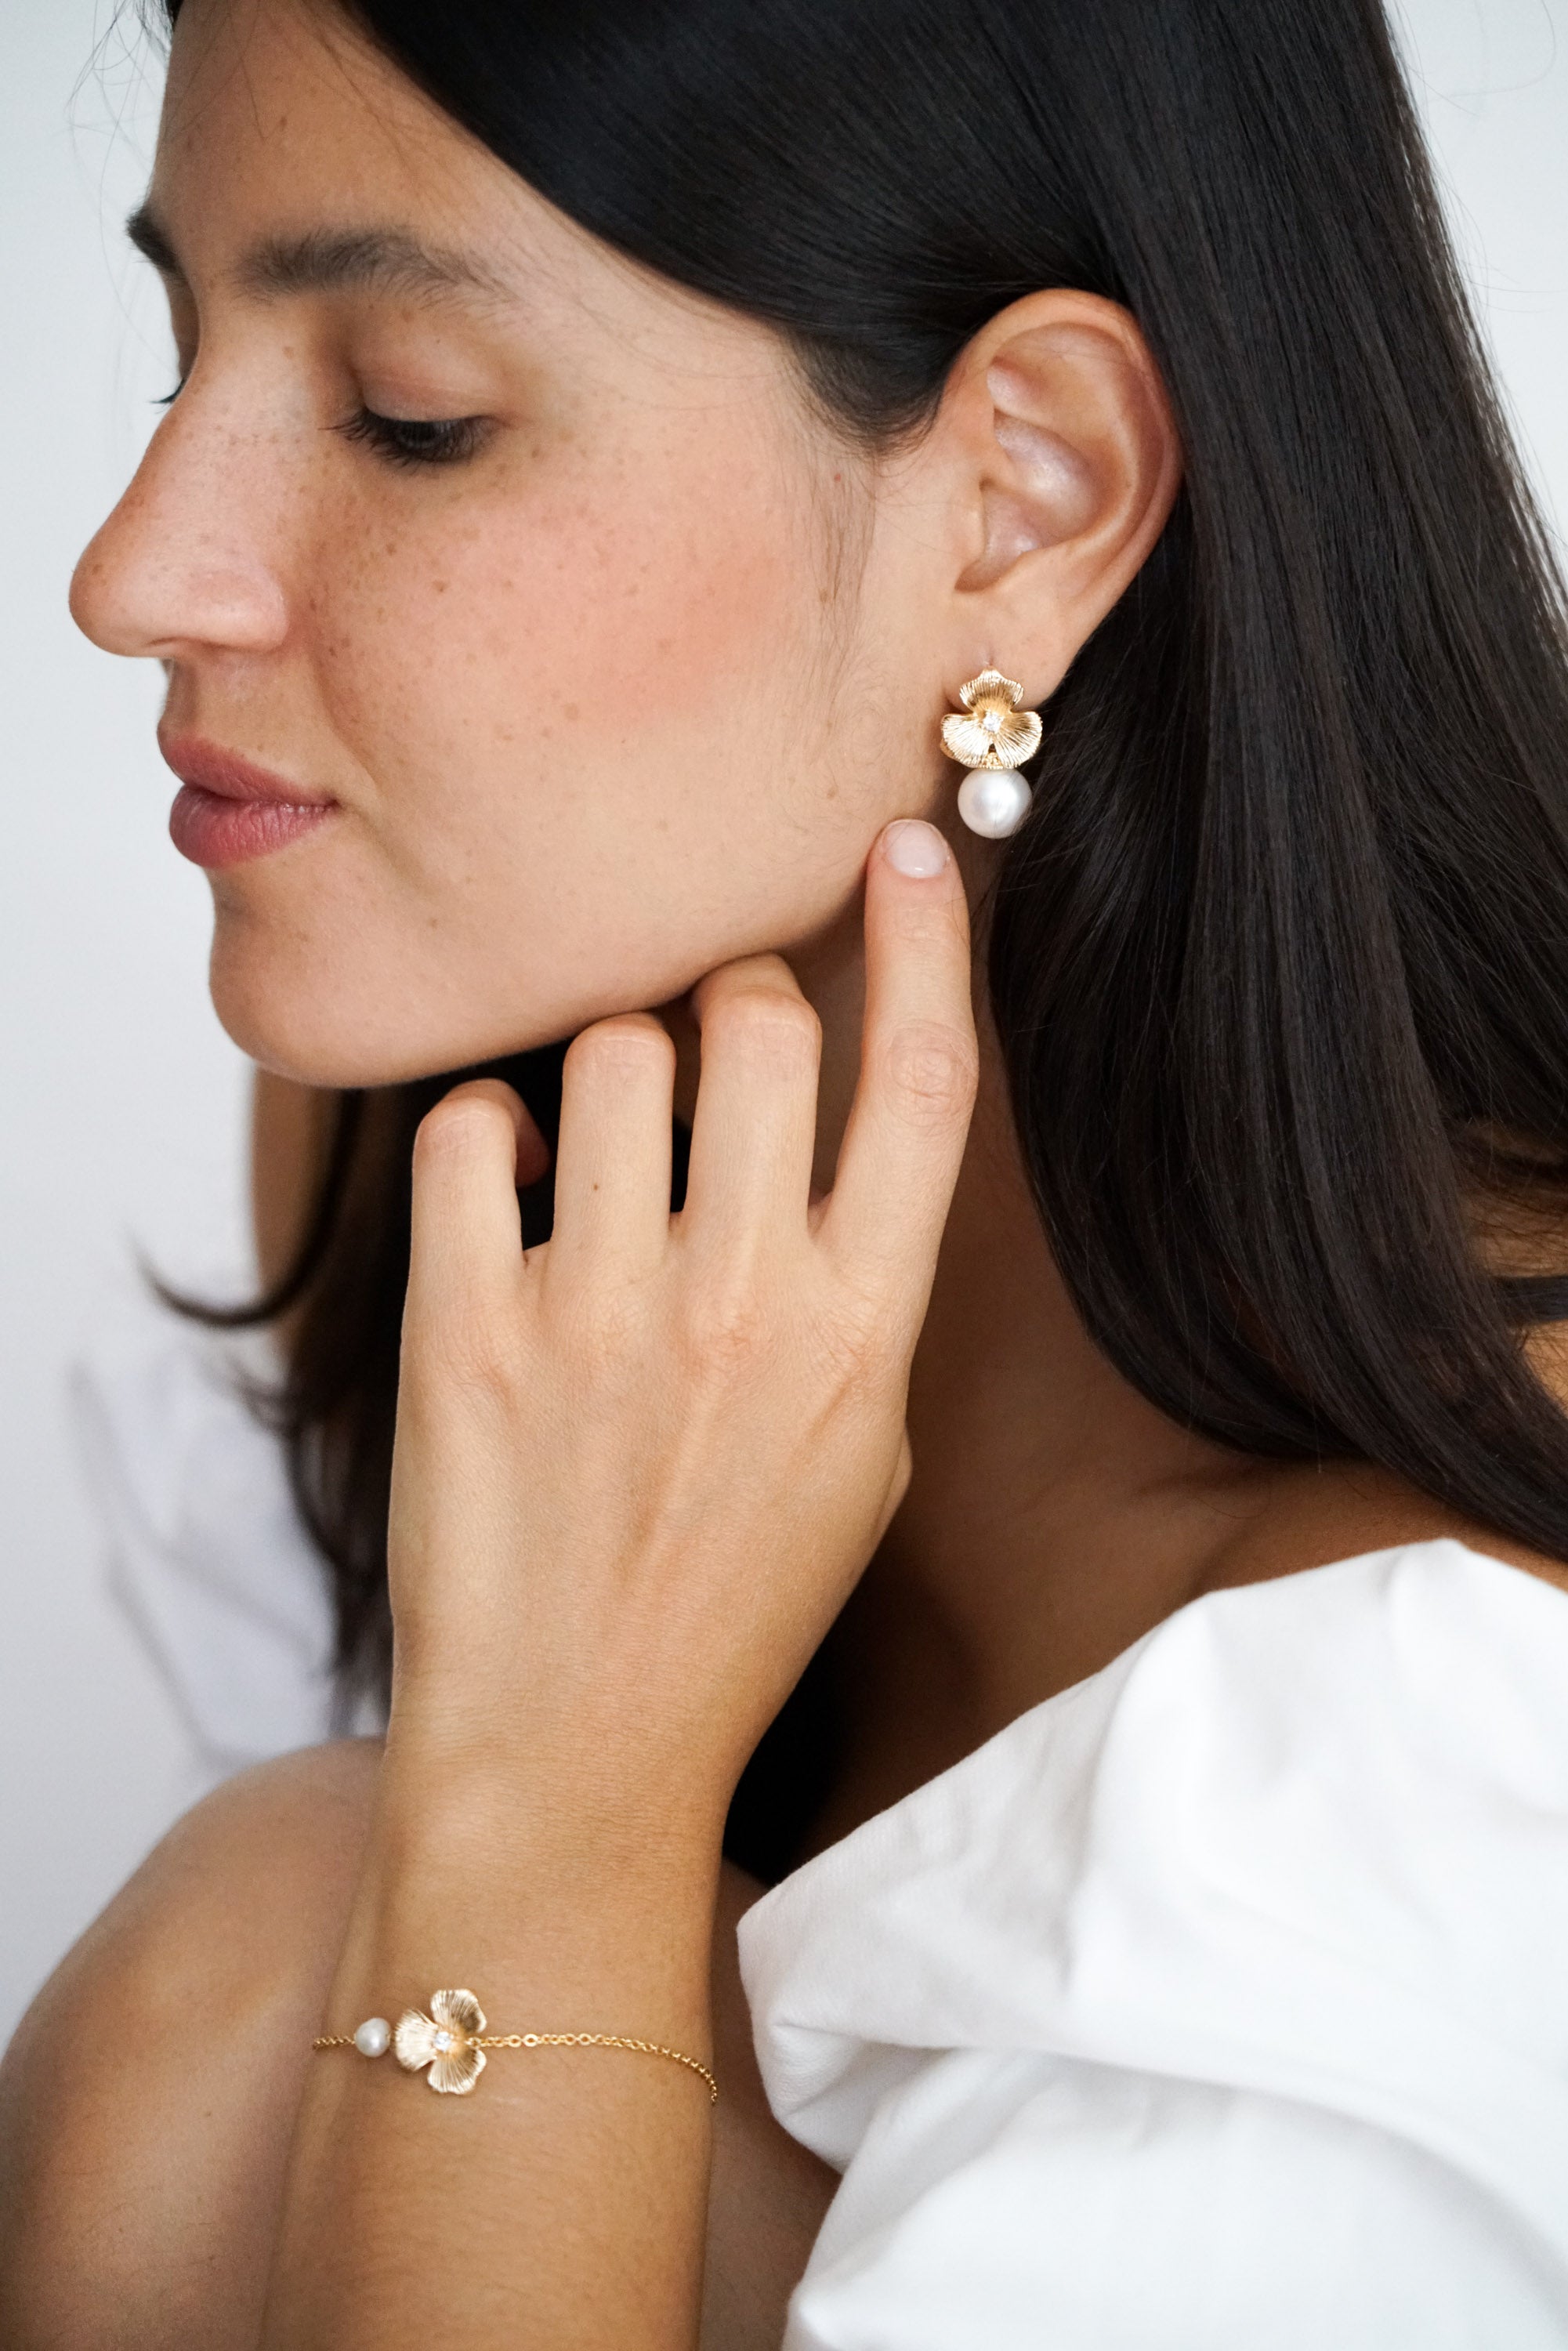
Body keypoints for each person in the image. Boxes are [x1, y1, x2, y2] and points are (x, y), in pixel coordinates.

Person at [5, 0, 1568, 2340]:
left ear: (1019, 498)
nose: (134, 575)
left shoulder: (1418, 1775)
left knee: (258, 1980)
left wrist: (544, 1845)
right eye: (181, 347)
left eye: (408, 409)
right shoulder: (482, 1184)